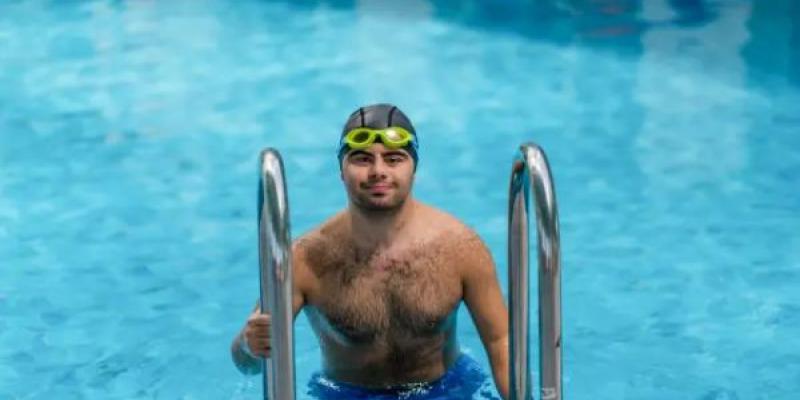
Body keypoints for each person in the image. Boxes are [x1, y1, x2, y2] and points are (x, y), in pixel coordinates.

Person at [231, 103, 510, 399]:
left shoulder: (461, 248)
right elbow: (246, 363)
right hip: (345, 394)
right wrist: (250, 345)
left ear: (413, 167)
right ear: (341, 169)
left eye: (394, 159)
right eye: (362, 159)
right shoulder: (304, 260)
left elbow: (500, 341)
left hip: (448, 389)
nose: (378, 171)